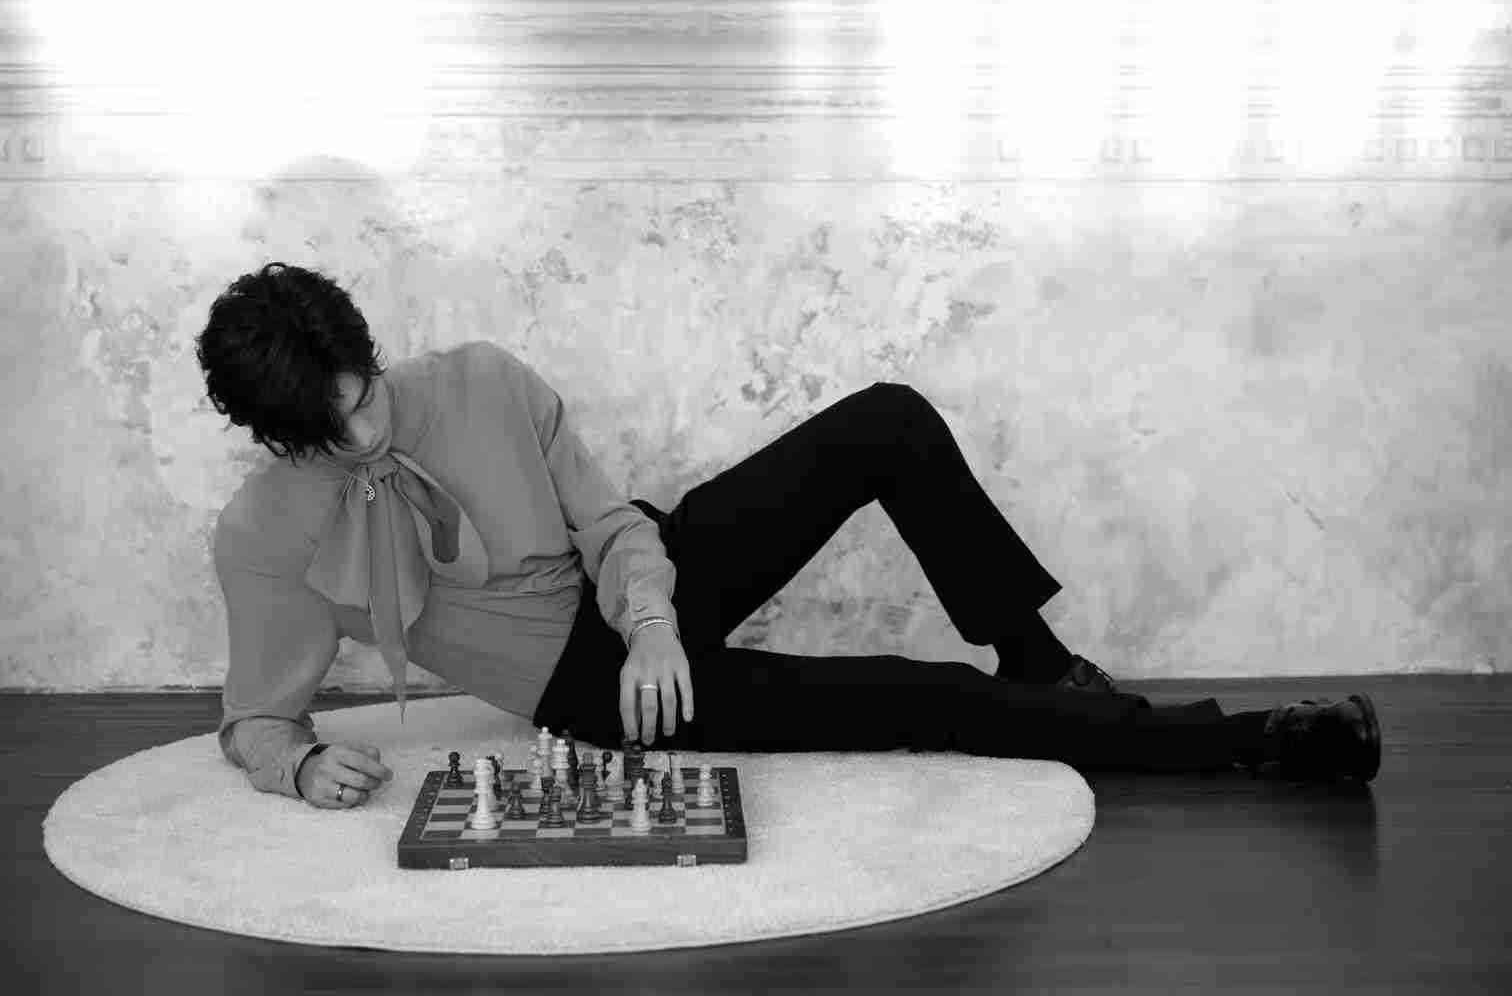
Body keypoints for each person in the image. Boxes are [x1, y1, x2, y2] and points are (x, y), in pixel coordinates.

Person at [197, 263, 1381, 811]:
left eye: (363, 396)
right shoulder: (262, 533)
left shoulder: (478, 379)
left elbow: (608, 523)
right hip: (589, 690)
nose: (362, 433)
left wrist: (652, 618)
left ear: (365, 347)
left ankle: (1039, 658)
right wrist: (294, 763)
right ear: (278, 437)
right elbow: (256, 711)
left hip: (644, 584)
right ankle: (1257, 743)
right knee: (924, 698)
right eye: (326, 433)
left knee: (885, 422)